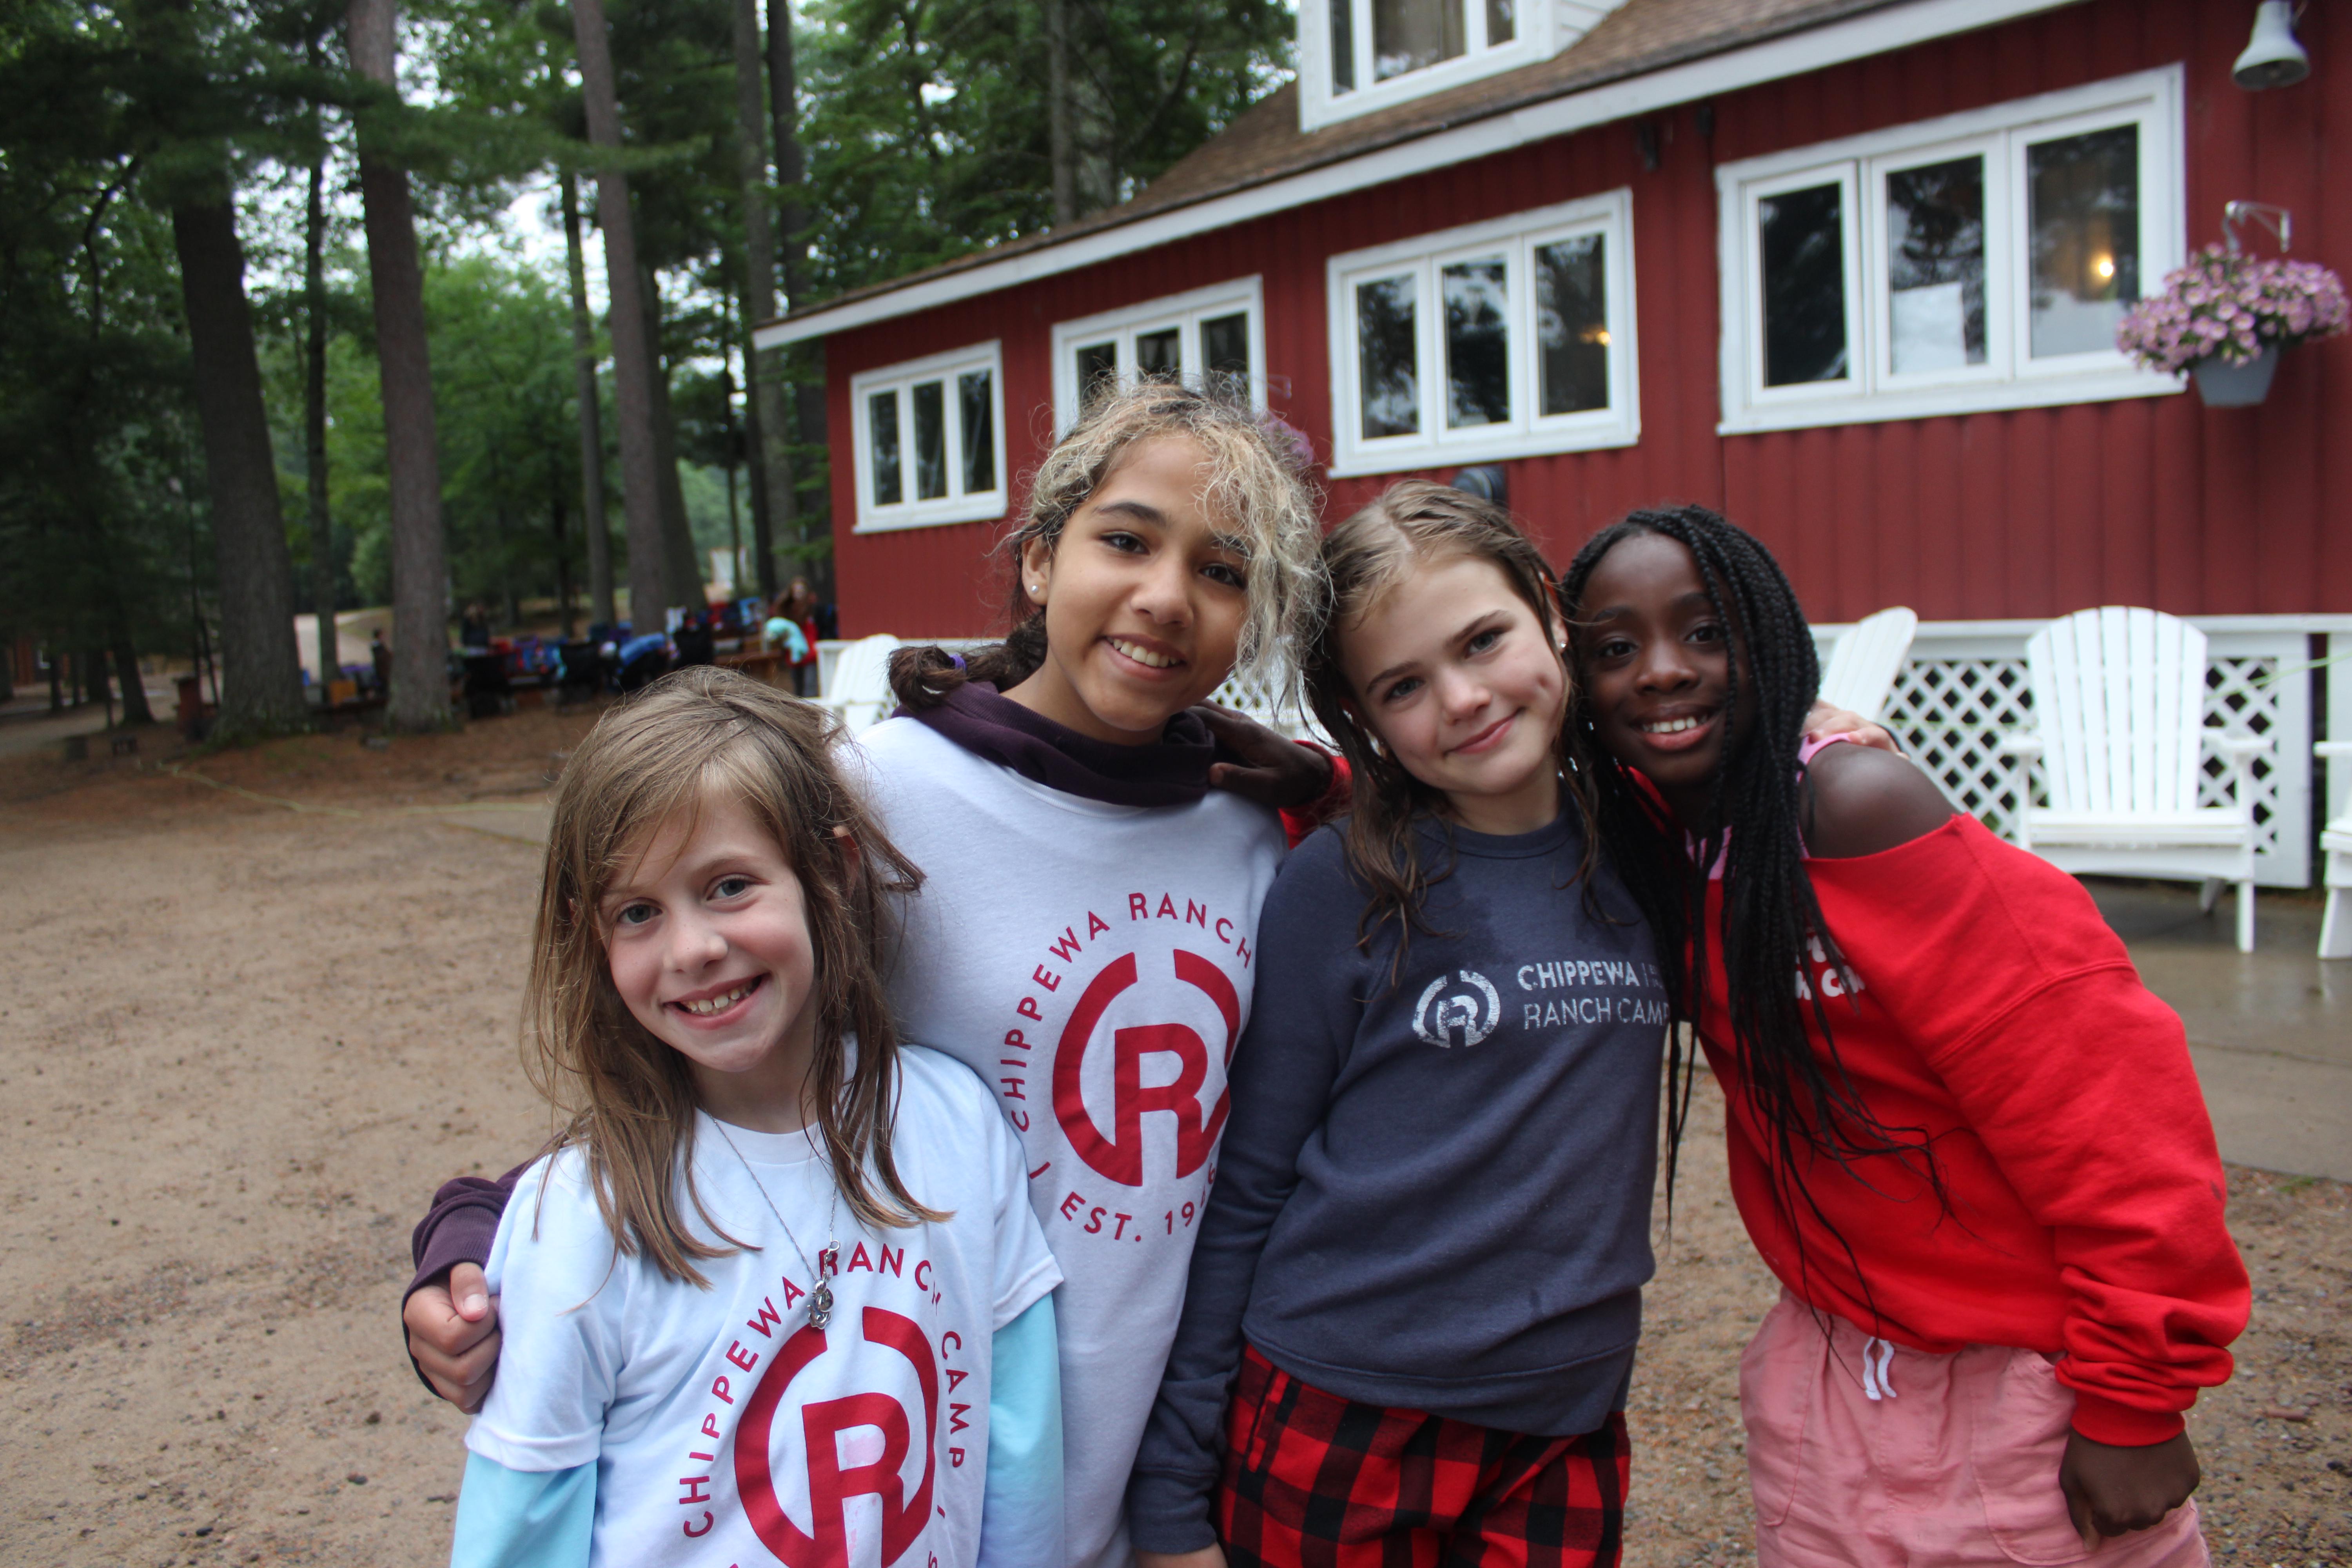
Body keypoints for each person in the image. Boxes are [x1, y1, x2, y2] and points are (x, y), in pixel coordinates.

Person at [404, 382, 1335, 1568]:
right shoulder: (882, 794)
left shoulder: (1255, 835)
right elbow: (704, 1039)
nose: (1166, 594)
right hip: (920, 1464)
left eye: (1223, 570)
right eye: (1126, 540)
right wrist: (476, 1228)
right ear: (1040, 557)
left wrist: (1328, 785)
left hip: (1140, 1487)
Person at [1558, 506, 2250, 1568]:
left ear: (1773, 640)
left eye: (1706, 632)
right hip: (1832, 1363)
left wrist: (2134, 1400)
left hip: (2020, 1380)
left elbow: (2112, 1106)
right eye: (1613, 649)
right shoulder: (1653, 843)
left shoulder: (1855, 808)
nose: (1662, 670)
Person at [1129, 482, 1657, 1568]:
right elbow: (1249, 1185)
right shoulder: (1344, 882)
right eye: (1404, 685)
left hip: (1565, 1421)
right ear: (1362, 717)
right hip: (1342, 1417)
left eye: (1484, 640)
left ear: (1548, 608)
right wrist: (1173, 1494)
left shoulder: (1647, 848)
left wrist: (1819, 741)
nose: (1463, 698)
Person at [446, 666, 1063, 1568]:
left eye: (730, 885)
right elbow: (521, 1531)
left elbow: (1019, 1447)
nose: (693, 948)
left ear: (831, 872)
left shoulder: (959, 1125)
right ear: (592, 934)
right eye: (638, 911)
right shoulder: (576, 1223)